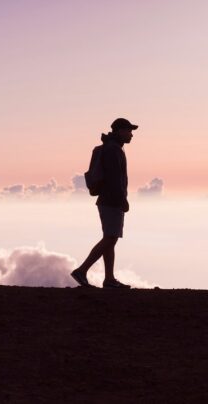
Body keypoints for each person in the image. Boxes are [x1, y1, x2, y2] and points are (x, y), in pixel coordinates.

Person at [71, 118, 137, 289]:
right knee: (110, 237)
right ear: (120, 131)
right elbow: (115, 179)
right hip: (112, 200)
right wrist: (123, 200)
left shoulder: (111, 148)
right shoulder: (114, 150)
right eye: (129, 131)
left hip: (106, 200)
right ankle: (82, 270)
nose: (131, 135)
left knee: (110, 238)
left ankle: (109, 279)